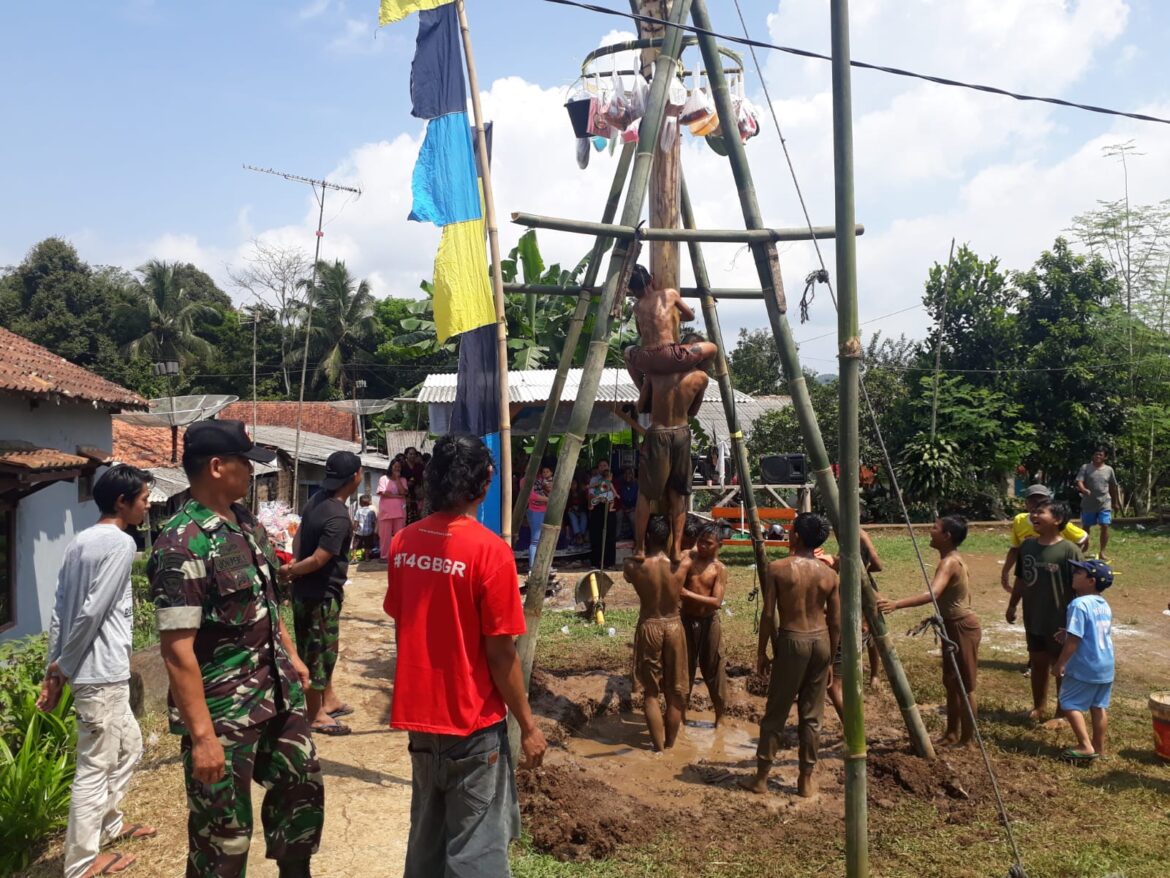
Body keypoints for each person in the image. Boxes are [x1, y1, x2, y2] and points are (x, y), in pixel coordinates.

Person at [149, 420, 322, 878]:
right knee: (222, 839)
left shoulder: (245, 524)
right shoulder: (180, 543)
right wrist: (203, 737)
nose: (252, 472)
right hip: (223, 713)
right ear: (216, 466)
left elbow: (266, 602)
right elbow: (176, 651)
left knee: (300, 799)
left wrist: (292, 654)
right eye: (245, 463)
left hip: (277, 695)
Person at [384, 434, 547, 877]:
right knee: (476, 853)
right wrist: (529, 726)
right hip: (472, 725)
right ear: (487, 480)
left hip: (422, 724)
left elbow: (404, 625)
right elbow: (501, 655)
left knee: (427, 844)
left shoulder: (404, 544)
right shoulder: (491, 552)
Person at [37, 465, 157, 878]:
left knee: (131, 746)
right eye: (142, 499)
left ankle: (110, 826)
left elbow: (60, 611)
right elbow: (91, 612)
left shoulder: (80, 542)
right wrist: (62, 670)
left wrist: (53, 672)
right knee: (93, 769)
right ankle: (82, 864)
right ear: (121, 502)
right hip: (99, 672)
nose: (147, 505)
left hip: (97, 672)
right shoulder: (120, 544)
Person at [742, 513, 839, 798]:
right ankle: (805, 780)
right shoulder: (829, 575)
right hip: (821, 642)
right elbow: (835, 622)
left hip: (792, 641)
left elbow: (769, 614)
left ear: (795, 536)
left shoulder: (778, 569)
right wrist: (831, 659)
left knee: (776, 713)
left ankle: (761, 778)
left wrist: (762, 652)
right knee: (812, 715)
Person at [878, 516, 981, 748]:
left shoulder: (949, 562)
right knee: (951, 681)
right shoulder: (951, 558)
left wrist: (896, 604)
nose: (930, 531)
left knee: (965, 685)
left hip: (962, 626)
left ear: (947, 536)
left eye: (935, 528)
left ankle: (968, 740)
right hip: (951, 626)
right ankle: (952, 733)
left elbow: (932, 594)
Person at [279, 451, 361, 737]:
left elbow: (300, 535)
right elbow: (319, 559)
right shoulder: (338, 516)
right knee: (318, 654)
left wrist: (293, 563)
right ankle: (315, 714)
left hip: (308, 590)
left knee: (322, 649)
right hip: (319, 594)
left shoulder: (317, 500)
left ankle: (329, 699)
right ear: (356, 477)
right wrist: (292, 571)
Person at [1006, 499, 1082, 722]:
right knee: (1038, 662)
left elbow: (1081, 586)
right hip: (1034, 617)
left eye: (1041, 512)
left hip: (1059, 620)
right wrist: (1012, 604)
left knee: (1060, 667)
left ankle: (1062, 712)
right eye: (1034, 512)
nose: (1034, 515)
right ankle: (1038, 707)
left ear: (1057, 520)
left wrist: (1077, 621)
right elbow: (1021, 578)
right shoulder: (1028, 546)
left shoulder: (1069, 551)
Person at [622, 515, 690, 752]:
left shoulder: (632, 565)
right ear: (669, 537)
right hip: (673, 625)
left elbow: (628, 575)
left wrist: (638, 546)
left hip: (649, 624)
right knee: (675, 691)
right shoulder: (684, 564)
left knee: (650, 693)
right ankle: (670, 746)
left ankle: (659, 750)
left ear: (646, 536)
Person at [633, 367, 709, 562]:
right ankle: (676, 549)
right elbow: (693, 410)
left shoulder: (656, 372)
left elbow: (641, 406)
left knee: (645, 494)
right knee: (678, 495)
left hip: (659, 432)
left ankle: (640, 547)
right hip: (682, 432)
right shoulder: (701, 377)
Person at [622, 265, 717, 413]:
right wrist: (671, 317)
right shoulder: (670, 294)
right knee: (712, 348)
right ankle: (691, 373)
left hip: (645, 359)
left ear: (632, 291)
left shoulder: (637, 307)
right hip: (671, 356)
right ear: (651, 279)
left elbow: (641, 334)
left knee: (627, 352)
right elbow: (690, 316)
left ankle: (644, 391)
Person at [1053, 559, 1115, 761]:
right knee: (1098, 706)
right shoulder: (1103, 604)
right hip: (1105, 664)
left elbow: (1075, 638)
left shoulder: (1078, 604)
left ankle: (1085, 745)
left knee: (1069, 703)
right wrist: (1068, 633)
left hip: (1086, 665)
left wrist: (1060, 663)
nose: (1074, 575)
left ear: (1091, 581)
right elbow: (1090, 631)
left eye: (1079, 573)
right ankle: (1099, 747)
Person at [681, 522, 730, 726]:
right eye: (700, 541)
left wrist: (685, 594)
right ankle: (680, 717)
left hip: (709, 622)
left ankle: (720, 718)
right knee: (684, 668)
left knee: (713, 669)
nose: (702, 546)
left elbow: (716, 602)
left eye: (708, 543)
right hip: (686, 619)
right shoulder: (688, 558)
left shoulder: (719, 569)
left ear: (719, 545)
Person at [1000, 484, 1088, 593]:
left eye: (1041, 500)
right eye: (1032, 500)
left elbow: (1082, 537)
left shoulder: (1055, 522)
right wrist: (1005, 571)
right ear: (1026, 503)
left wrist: (1068, 555)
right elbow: (1015, 549)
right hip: (1032, 570)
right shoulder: (1019, 521)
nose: (1037, 504)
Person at [1076, 449, 1122, 561]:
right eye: (1095, 454)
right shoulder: (1085, 467)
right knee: (1086, 527)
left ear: (1105, 457)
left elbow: (1113, 486)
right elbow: (1079, 481)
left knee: (1105, 525)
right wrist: (1083, 490)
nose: (1097, 456)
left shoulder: (1109, 470)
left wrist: (1115, 502)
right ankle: (1085, 545)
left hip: (1105, 502)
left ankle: (1102, 552)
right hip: (1089, 503)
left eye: (1100, 454)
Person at [587, 460, 618, 569]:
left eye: (605, 465)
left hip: (609, 509)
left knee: (610, 536)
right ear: (598, 468)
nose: (603, 467)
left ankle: (609, 563)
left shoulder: (612, 478)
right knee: (596, 536)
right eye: (601, 465)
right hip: (597, 508)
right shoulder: (595, 479)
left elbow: (614, 494)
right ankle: (596, 562)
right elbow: (592, 494)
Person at [376, 459, 409, 561]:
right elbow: (383, 493)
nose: (397, 468)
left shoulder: (403, 480)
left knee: (399, 535)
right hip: (386, 512)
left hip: (400, 512)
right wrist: (398, 497)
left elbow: (403, 492)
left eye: (399, 467)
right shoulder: (383, 478)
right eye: (395, 466)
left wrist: (397, 479)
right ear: (391, 467)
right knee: (385, 536)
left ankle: (398, 555)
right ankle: (384, 556)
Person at [527, 462, 553, 568]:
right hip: (536, 511)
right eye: (544, 471)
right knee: (535, 540)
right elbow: (532, 496)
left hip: (547, 511)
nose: (545, 473)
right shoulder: (529, 481)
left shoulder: (549, 481)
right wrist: (549, 499)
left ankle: (544, 566)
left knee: (545, 540)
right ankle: (533, 567)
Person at [618, 465, 639, 540]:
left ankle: (637, 539)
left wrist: (632, 509)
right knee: (618, 515)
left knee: (633, 518)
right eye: (626, 473)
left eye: (630, 473)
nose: (628, 475)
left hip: (633, 508)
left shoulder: (637, 484)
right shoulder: (620, 484)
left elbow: (639, 500)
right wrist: (623, 508)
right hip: (622, 508)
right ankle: (617, 537)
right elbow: (618, 498)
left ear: (633, 474)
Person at [353, 494, 377, 558]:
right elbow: (373, 522)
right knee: (367, 545)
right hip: (369, 532)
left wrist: (354, 529)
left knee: (355, 545)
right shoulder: (372, 512)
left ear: (360, 503)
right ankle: (367, 557)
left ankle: (354, 557)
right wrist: (374, 531)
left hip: (359, 532)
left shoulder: (358, 511)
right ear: (369, 503)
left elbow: (356, 521)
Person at [566, 477, 588, 546]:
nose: (573, 486)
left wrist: (578, 511)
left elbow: (584, 505)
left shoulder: (581, 493)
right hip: (571, 511)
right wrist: (573, 510)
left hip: (581, 511)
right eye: (571, 484)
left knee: (584, 517)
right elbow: (567, 506)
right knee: (573, 517)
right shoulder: (567, 494)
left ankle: (581, 534)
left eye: (574, 484)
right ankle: (578, 535)